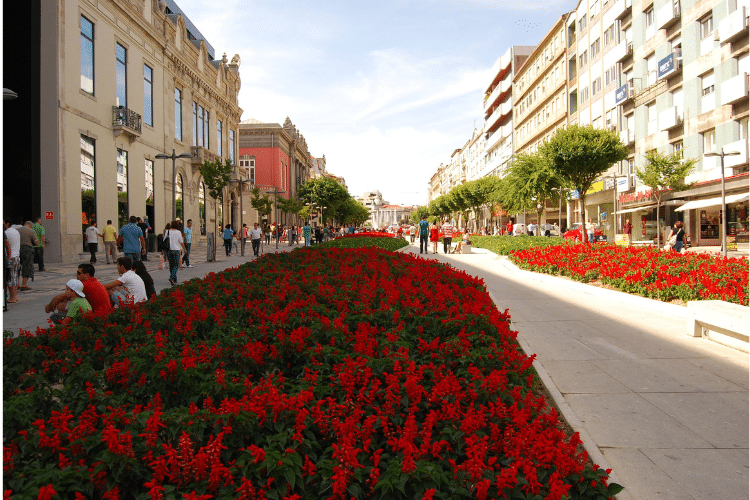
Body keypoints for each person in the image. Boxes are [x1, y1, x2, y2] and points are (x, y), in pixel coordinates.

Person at [45, 263, 112, 315]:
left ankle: (63, 327)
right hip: (104, 313)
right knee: (66, 300)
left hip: (98, 315)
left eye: (79, 273)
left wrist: (49, 307)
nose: (76, 275)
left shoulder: (84, 285)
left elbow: (60, 297)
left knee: (58, 312)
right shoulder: (94, 281)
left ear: (86, 275)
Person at [164, 220, 187, 286]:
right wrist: (184, 249)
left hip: (169, 250)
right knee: (176, 265)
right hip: (176, 250)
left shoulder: (167, 231)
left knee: (171, 265)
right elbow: (181, 242)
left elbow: (164, 240)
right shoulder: (178, 232)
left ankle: (174, 279)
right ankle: (171, 277)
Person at [17, 221, 38, 290]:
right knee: (27, 266)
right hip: (27, 249)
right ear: (29, 225)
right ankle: (23, 285)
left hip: (18, 249)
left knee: (17, 267)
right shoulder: (31, 231)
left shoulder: (17, 230)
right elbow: (36, 242)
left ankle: (16, 284)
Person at [4, 218, 20, 303]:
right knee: (15, 277)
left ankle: (12, 297)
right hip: (17, 256)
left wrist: (9, 257)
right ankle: (15, 296)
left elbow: (7, 245)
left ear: (7, 224)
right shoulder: (15, 231)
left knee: (10, 278)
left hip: (11, 257)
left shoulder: (6, 233)